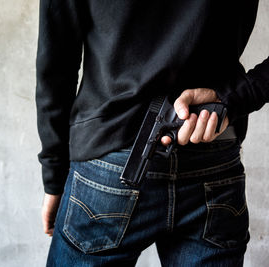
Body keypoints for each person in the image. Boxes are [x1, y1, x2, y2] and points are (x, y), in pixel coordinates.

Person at [35, 0, 269, 266]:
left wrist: (54, 177)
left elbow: (55, 67)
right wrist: (238, 96)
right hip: (212, 157)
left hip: (112, 158)